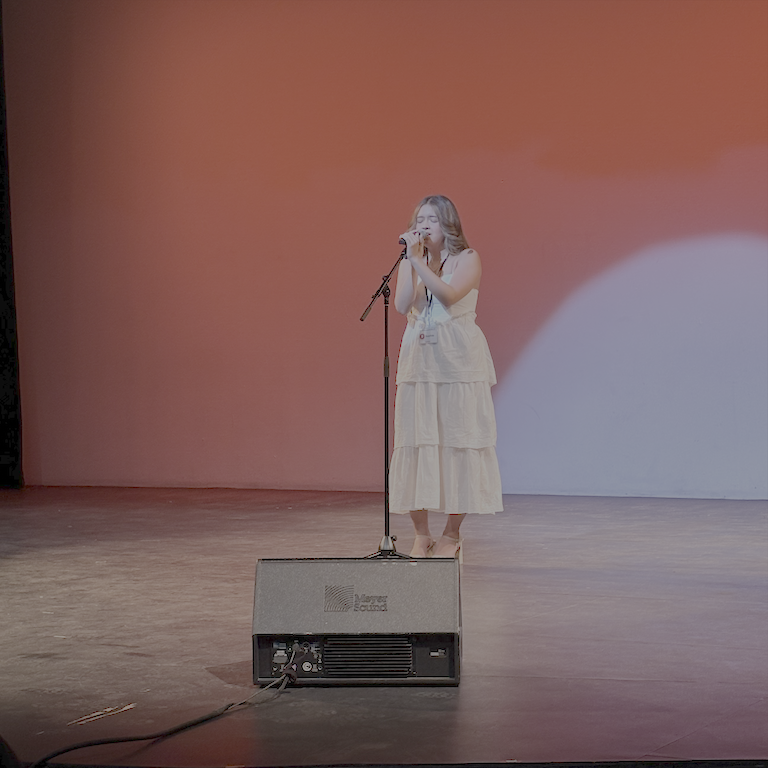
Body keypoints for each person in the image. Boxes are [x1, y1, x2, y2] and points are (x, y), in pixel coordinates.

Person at [390, 195, 503, 559]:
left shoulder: (468, 258)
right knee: (416, 440)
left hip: (457, 360)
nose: (423, 225)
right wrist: (411, 262)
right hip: (420, 358)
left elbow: (450, 296)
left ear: (448, 224)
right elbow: (403, 304)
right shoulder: (413, 259)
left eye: (432, 220)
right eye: (419, 219)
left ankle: (451, 534)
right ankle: (421, 534)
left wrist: (419, 265)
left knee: (459, 438)